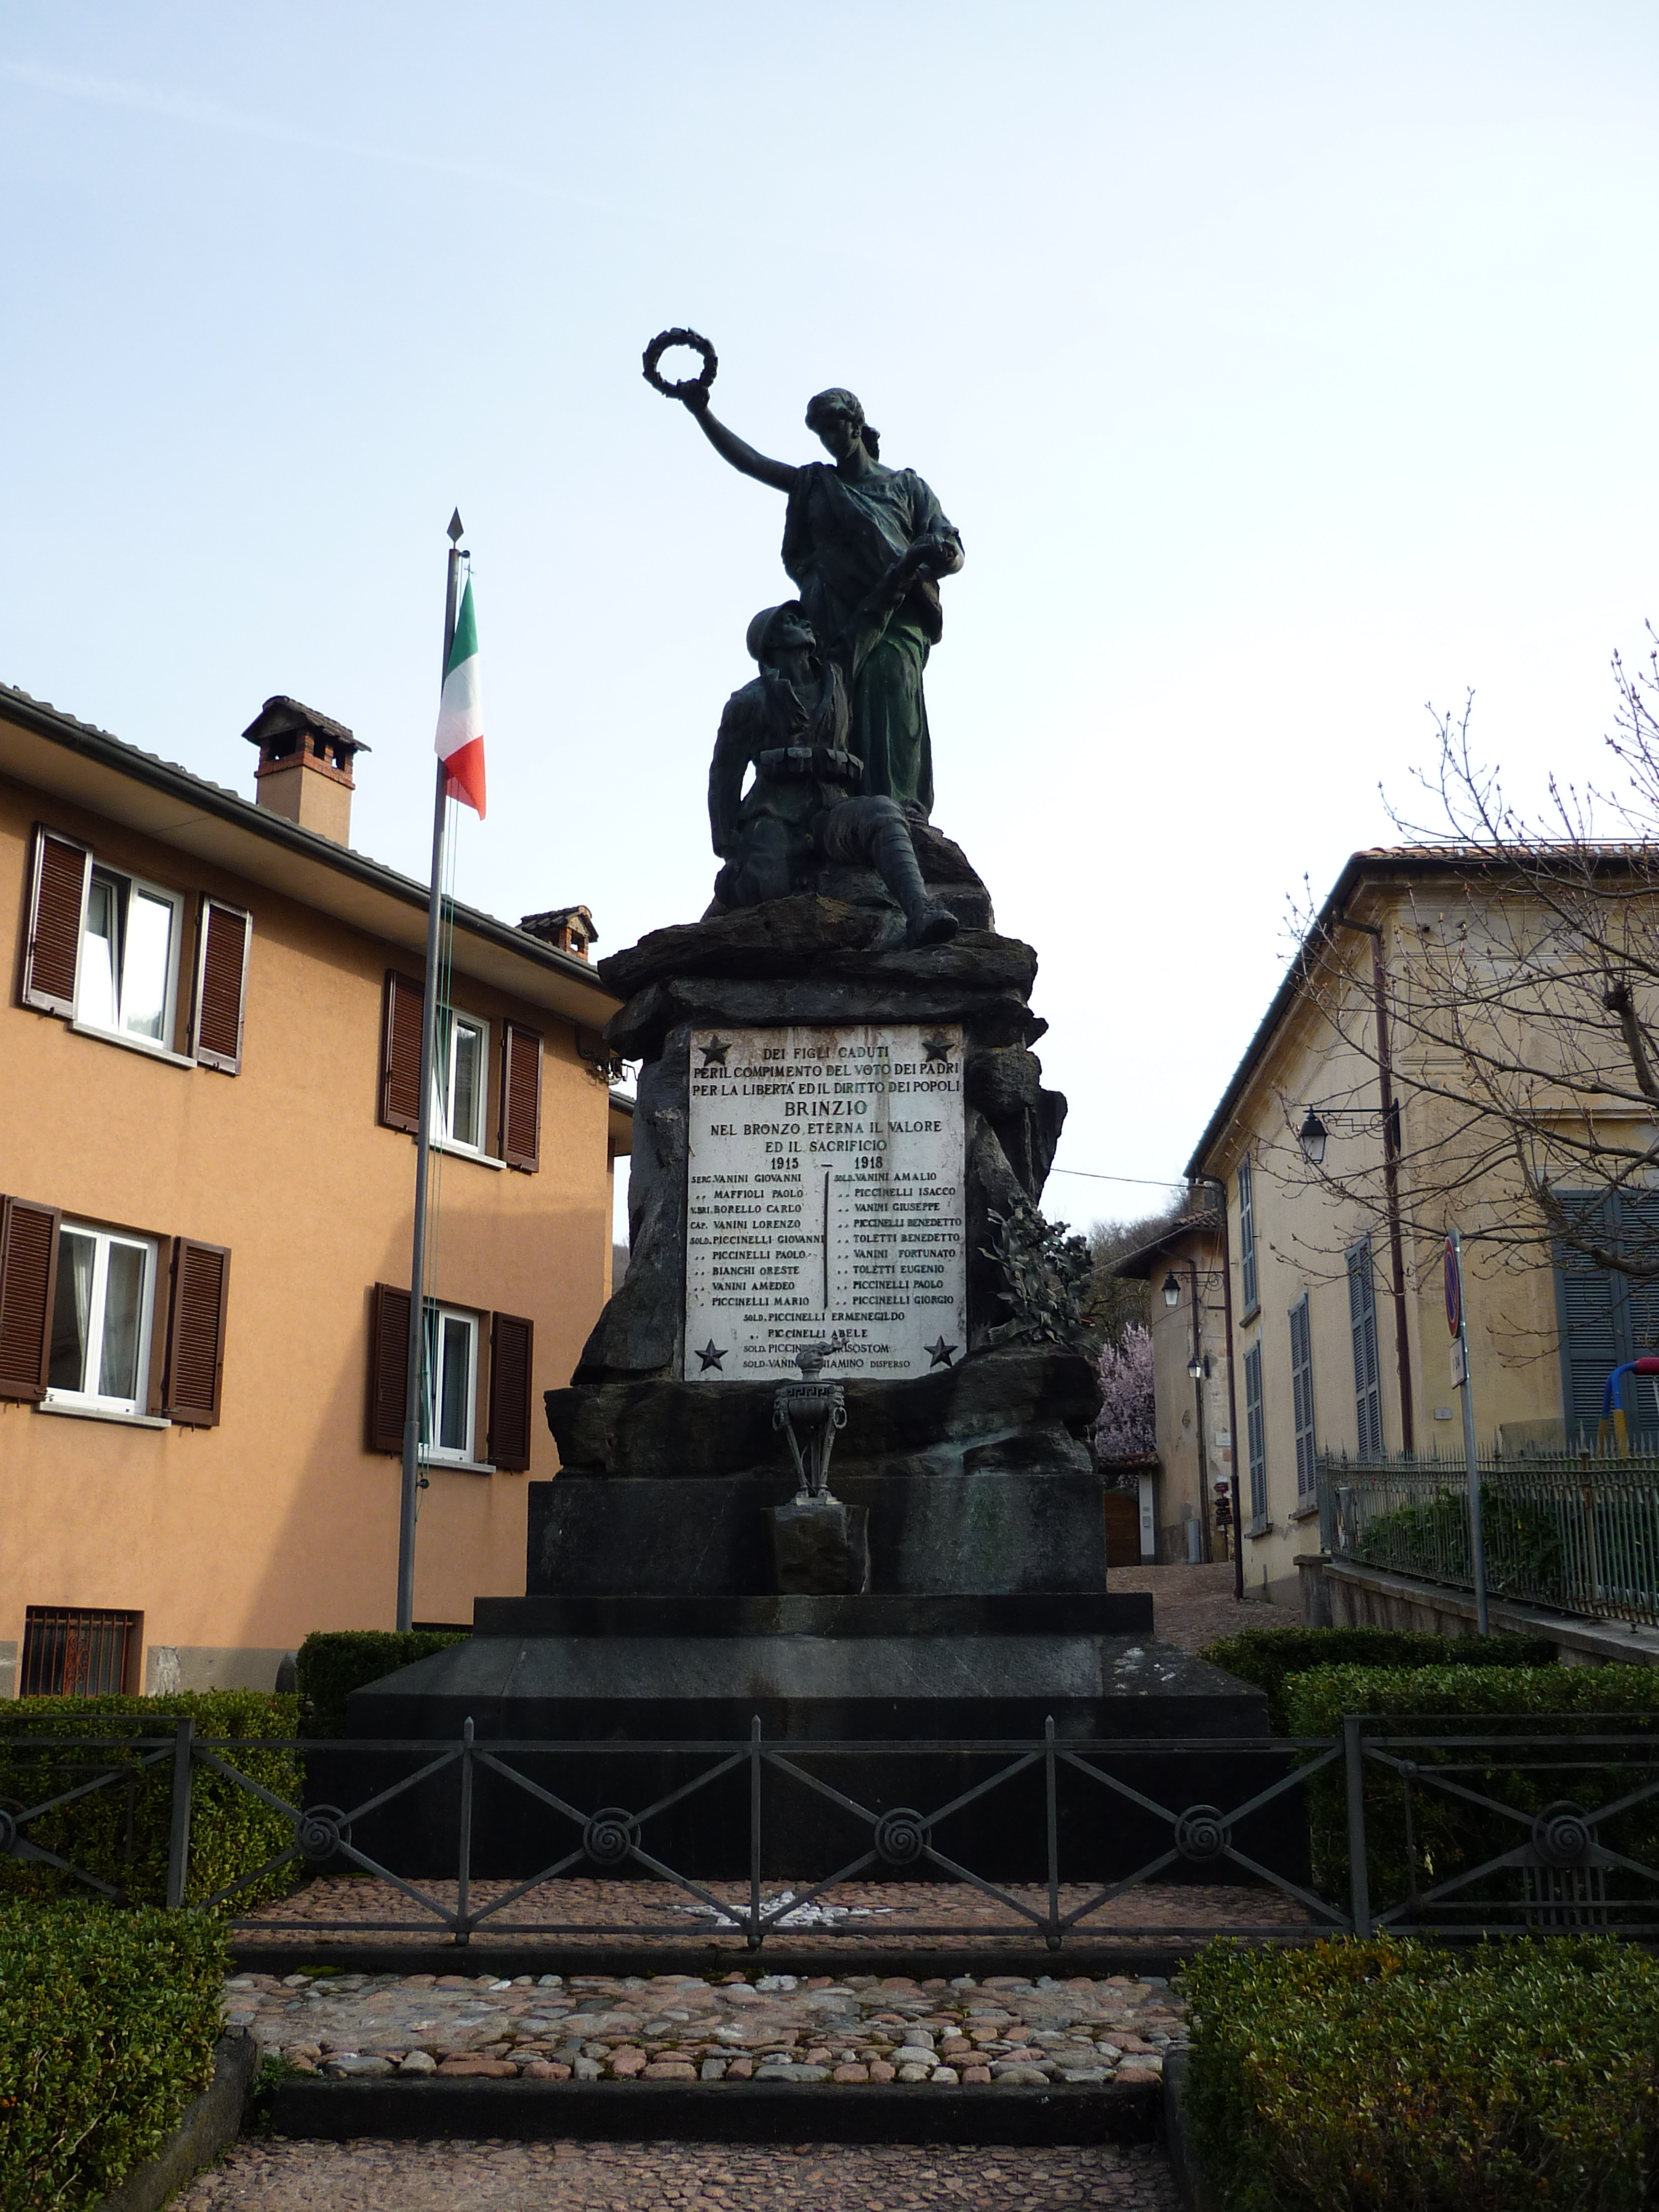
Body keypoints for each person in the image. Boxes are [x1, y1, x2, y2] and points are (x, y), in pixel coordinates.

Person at [680, 383, 962, 820]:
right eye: (821, 431)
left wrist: (938, 554)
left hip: (898, 618)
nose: (830, 439)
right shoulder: (815, 483)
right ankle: (844, 812)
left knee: (890, 696)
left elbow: (952, 548)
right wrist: (704, 414)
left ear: (857, 424)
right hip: (834, 617)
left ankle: (901, 812)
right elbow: (751, 462)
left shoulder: (906, 487)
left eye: (836, 427)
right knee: (837, 709)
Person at [709, 602, 958, 947]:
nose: (803, 623)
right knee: (768, 886)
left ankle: (920, 913)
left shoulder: (836, 675)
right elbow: (724, 773)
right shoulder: (747, 702)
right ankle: (735, 884)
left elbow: (871, 617)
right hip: (774, 816)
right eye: (790, 621)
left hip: (831, 807)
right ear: (770, 641)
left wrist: (904, 572)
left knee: (883, 812)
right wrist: (727, 843)